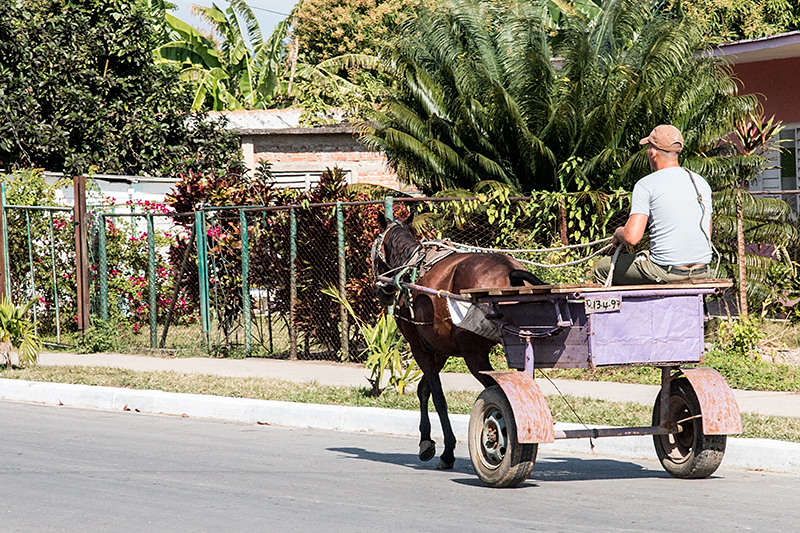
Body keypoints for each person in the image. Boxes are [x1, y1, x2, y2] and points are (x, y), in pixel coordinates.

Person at [593, 125, 713, 285]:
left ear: (653, 152)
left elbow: (631, 237)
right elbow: (707, 232)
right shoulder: (700, 182)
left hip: (666, 271)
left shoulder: (646, 184)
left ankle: (625, 309)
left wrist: (618, 233)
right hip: (702, 271)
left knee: (602, 267)